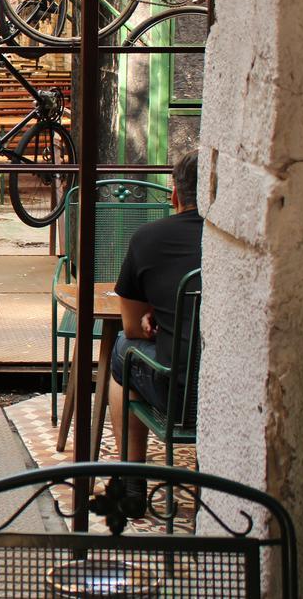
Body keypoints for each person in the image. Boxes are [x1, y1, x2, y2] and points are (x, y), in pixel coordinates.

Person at [109, 151, 203, 483]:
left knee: (123, 350)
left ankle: (131, 478)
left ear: (175, 194)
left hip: (179, 399)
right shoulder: (237, 243)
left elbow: (132, 327)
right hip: (231, 395)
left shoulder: (148, 238)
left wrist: (158, 324)